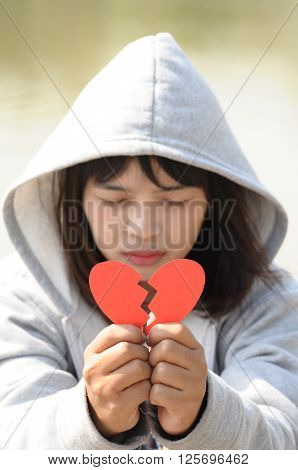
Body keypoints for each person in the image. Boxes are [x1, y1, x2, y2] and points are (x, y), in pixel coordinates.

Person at [0, 32, 297, 450]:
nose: (142, 228)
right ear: (77, 201)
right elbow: (9, 439)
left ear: (213, 204)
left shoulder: (270, 301)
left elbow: (285, 441)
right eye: (115, 200)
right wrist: (91, 418)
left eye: (173, 202)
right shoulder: (23, 299)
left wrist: (205, 415)